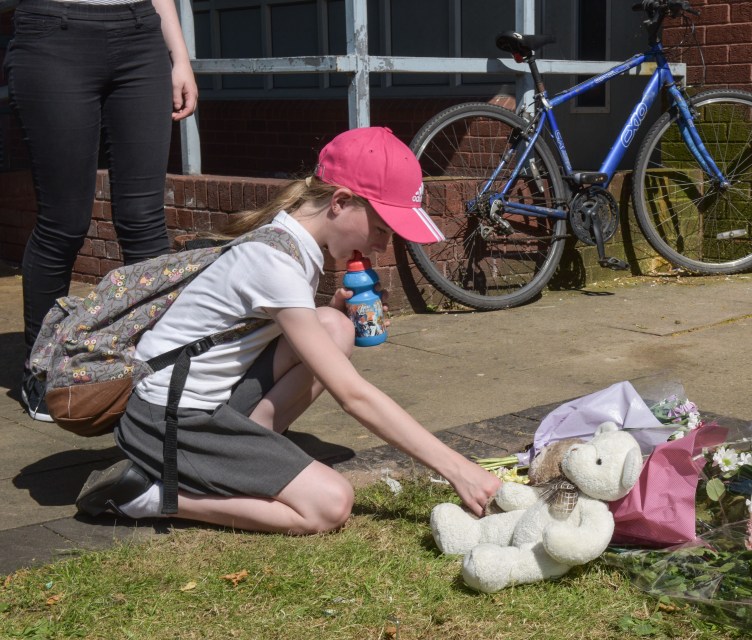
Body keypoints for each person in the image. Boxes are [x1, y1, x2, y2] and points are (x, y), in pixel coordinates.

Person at [75, 127, 501, 534]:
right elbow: (353, 396)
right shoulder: (275, 263)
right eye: (380, 229)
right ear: (340, 202)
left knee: (334, 325)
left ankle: (250, 451)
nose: (381, 246)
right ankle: (144, 493)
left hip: (205, 397)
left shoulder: (291, 241)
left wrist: (333, 309)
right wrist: (459, 470)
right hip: (169, 420)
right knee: (329, 504)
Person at [5, 0, 198, 421]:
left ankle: (155, 365)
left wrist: (179, 58)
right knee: (64, 222)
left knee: (145, 220)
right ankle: (42, 369)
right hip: (54, 33)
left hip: (141, 35)